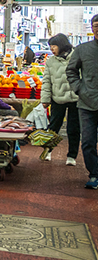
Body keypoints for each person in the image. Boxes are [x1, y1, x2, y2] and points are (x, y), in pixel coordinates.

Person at [66, 14, 98, 189]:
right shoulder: (82, 49)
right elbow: (71, 71)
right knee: (87, 141)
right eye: (95, 26)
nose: (97, 29)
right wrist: (79, 89)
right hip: (86, 103)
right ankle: (94, 174)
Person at [40, 34, 79, 166]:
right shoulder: (51, 61)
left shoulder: (77, 57)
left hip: (75, 98)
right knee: (53, 126)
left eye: (54, 46)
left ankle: (72, 156)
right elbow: (46, 81)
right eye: (50, 46)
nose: (52, 49)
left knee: (74, 128)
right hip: (57, 98)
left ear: (61, 45)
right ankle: (48, 151)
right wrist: (45, 99)